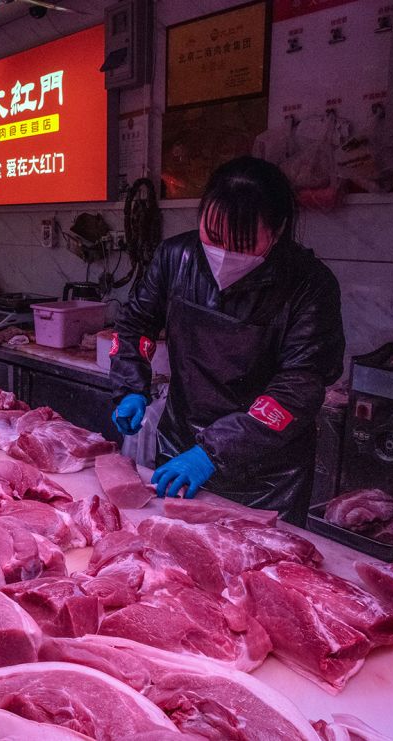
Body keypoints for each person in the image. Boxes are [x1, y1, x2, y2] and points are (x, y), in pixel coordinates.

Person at [110, 156, 344, 525]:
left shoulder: (309, 285)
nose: (225, 253)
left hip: (267, 474)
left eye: (244, 242)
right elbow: (135, 323)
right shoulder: (176, 257)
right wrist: (130, 386)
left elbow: (299, 385)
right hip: (180, 446)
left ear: (279, 229)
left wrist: (212, 452)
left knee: (261, 570)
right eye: (215, 237)